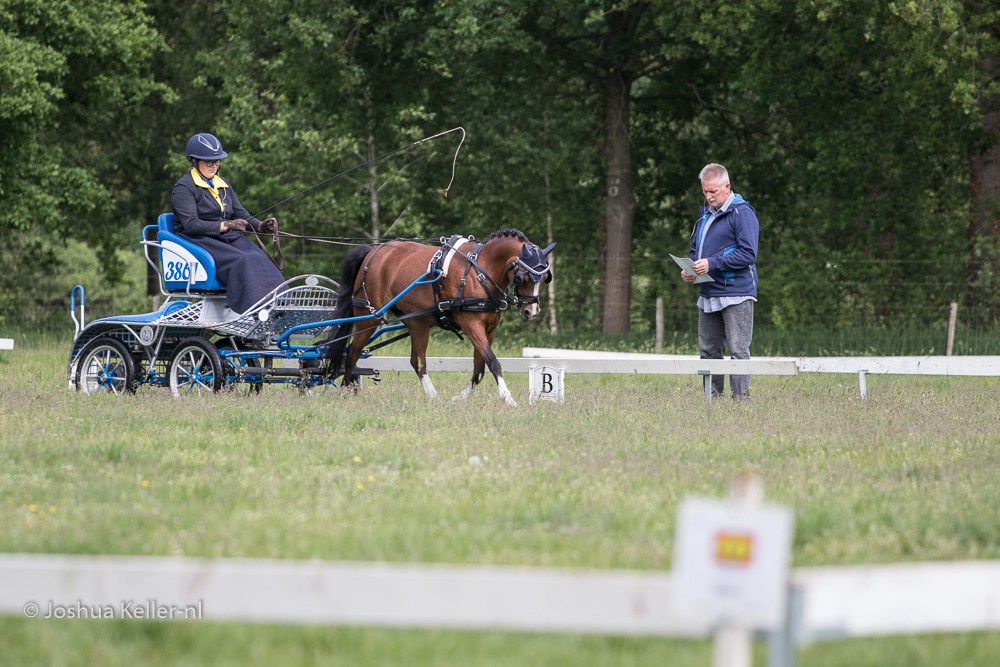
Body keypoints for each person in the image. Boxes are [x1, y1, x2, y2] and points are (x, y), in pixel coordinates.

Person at [171, 133, 285, 314]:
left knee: (260, 257)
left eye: (217, 161)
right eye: (209, 162)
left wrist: (260, 226)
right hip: (197, 240)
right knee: (244, 259)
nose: (214, 165)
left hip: (224, 237)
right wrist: (227, 226)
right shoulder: (184, 188)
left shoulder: (223, 184)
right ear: (193, 160)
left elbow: (241, 214)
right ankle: (255, 311)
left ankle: (284, 305)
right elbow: (191, 225)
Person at [680, 163, 759, 398]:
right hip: (708, 292)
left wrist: (711, 264)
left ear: (727, 187)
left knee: (737, 352)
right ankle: (711, 401)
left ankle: (741, 404)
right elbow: (697, 251)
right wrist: (691, 269)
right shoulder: (705, 215)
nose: (708, 197)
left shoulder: (742, 212)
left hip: (736, 293)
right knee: (708, 352)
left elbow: (748, 253)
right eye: (704, 191)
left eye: (713, 192)